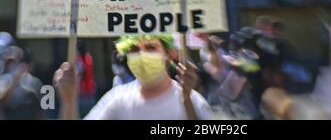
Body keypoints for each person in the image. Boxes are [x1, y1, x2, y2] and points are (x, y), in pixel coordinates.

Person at [53, 33, 212, 120]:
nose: (142, 55)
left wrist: (187, 102)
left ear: (169, 54)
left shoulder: (194, 101)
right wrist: (68, 101)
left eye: (150, 47)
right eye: (134, 49)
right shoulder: (117, 100)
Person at [76, 41, 96, 117]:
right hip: (89, 90)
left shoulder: (80, 60)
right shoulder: (89, 58)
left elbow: (80, 74)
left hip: (83, 92)